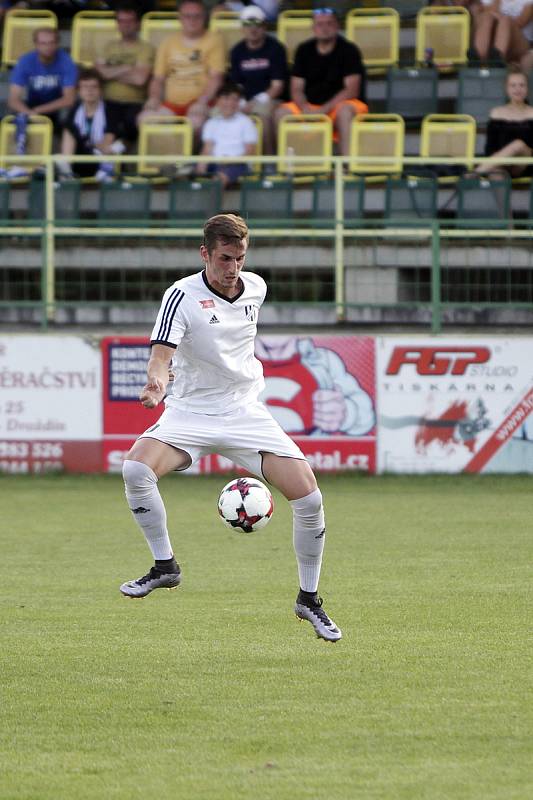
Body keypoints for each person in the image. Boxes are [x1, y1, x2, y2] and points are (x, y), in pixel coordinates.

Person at [119, 213, 342, 643]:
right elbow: (161, 354)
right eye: (224, 258)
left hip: (244, 412)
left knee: (309, 496)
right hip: (190, 413)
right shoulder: (180, 296)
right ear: (204, 253)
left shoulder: (256, 287)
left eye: (240, 258)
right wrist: (155, 384)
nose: (233, 268)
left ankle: (308, 600)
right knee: (135, 470)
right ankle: (165, 567)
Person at [275, 7, 368, 157]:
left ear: (337, 26)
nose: (324, 28)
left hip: (338, 106)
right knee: (281, 113)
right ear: (313, 28)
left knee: (345, 112)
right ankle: (291, 167)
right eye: (320, 24)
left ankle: (347, 168)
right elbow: (296, 88)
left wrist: (324, 109)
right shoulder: (303, 49)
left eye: (329, 23)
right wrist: (305, 108)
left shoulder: (349, 50)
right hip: (310, 106)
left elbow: (352, 89)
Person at [138, 0, 225, 138]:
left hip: (201, 104)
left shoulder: (214, 40)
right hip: (171, 105)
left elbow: (216, 77)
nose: (192, 20)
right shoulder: (168, 42)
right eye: (187, 16)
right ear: (180, 18)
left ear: (204, 18)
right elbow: (158, 78)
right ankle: (167, 158)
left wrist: (203, 101)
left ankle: (187, 159)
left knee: (196, 123)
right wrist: (154, 98)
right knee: (145, 119)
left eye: (197, 16)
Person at [230, 5, 288, 154]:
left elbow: (277, 86)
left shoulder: (275, 48)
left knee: (262, 116)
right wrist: (241, 102)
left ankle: (269, 163)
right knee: (221, 113)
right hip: (245, 99)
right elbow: (237, 84)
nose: (253, 29)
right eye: (248, 25)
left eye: (257, 24)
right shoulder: (237, 51)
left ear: (264, 27)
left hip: (270, 99)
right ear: (242, 28)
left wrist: (255, 102)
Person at [93, 1, 154, 142]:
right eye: (121, 21)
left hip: (134, 102)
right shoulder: (108, 46)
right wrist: (127, 68)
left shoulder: (146, 48)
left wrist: (110, 72)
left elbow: (140, 80)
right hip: (107, 101)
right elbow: (100, 74)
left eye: (130, 21)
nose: (125, 25)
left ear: (138, 24)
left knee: (125, 124)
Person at [57, 69, 124, 182]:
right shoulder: (73, 112)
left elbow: (106, 144)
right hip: (78, 158)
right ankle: (66, 172)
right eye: (85, 87)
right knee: (69, 130)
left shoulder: (110, 110)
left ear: (101, 90)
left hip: (101, 159)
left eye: (94, 87)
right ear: (79, 91)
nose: (89, 91)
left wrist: (91, 145)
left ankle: (67, 172)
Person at [8, 27, 78, 123]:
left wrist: (37, 111)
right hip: (32, 104)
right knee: (15, 115)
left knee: (69, 112)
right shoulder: (25, 61)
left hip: (57, 106)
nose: (47, 47)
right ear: (36, 44)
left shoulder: (67, 61)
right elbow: (13, 100)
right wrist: (29, 113)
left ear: (57, 44)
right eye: (43, 43)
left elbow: (69, 99)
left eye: (51, 42)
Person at [196, 80, 257, 186]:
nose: (230, 103)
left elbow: (249, 151)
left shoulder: (246, 122)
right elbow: (207, 149)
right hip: (215, 163)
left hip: (238, 165)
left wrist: (229, 162)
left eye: (234, 99)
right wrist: (201, 165)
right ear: (218, 101)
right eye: (226, 98)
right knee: (183, 171)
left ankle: (211, 202)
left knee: (220, 178)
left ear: (239, 103)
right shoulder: (211, 123)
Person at [476, 66, 533, 175]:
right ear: (506, 89)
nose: (518, 89)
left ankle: (474, 174)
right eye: (513, 85)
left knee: (518, 144)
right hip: (501, 164)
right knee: (497, 175)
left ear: (527, 89)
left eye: (522, 85)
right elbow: (490, 149)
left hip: (527, 164)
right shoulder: (496, 112)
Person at [472, 0, 533, 64]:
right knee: (487, 18)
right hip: (493, 42)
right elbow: (487, 14)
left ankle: (498, 60)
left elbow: (521, 22)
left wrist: (500, 17)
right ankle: (478, 58)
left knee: (505, 21)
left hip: (521, 42)